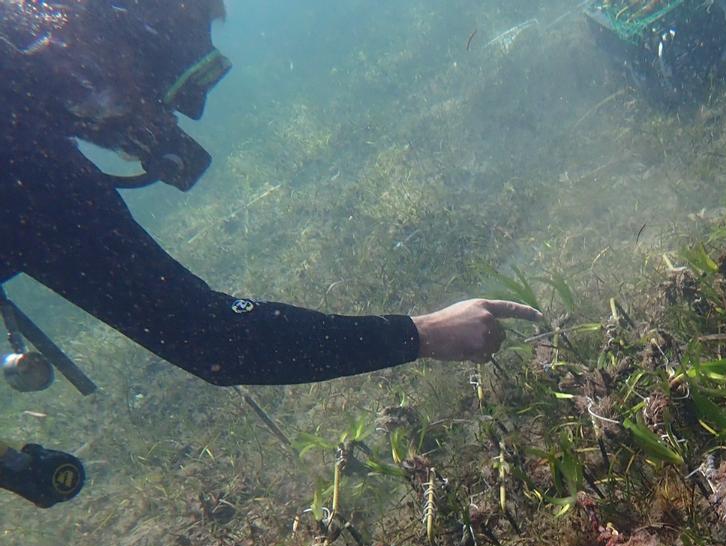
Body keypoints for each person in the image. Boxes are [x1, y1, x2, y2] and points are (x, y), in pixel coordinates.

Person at [0, 0, 540, 392]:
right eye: (173, 78)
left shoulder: (23, 122)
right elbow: (215, 341)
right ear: (95, 51)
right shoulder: (26, 165)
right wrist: (423, 334)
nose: (181, 115)